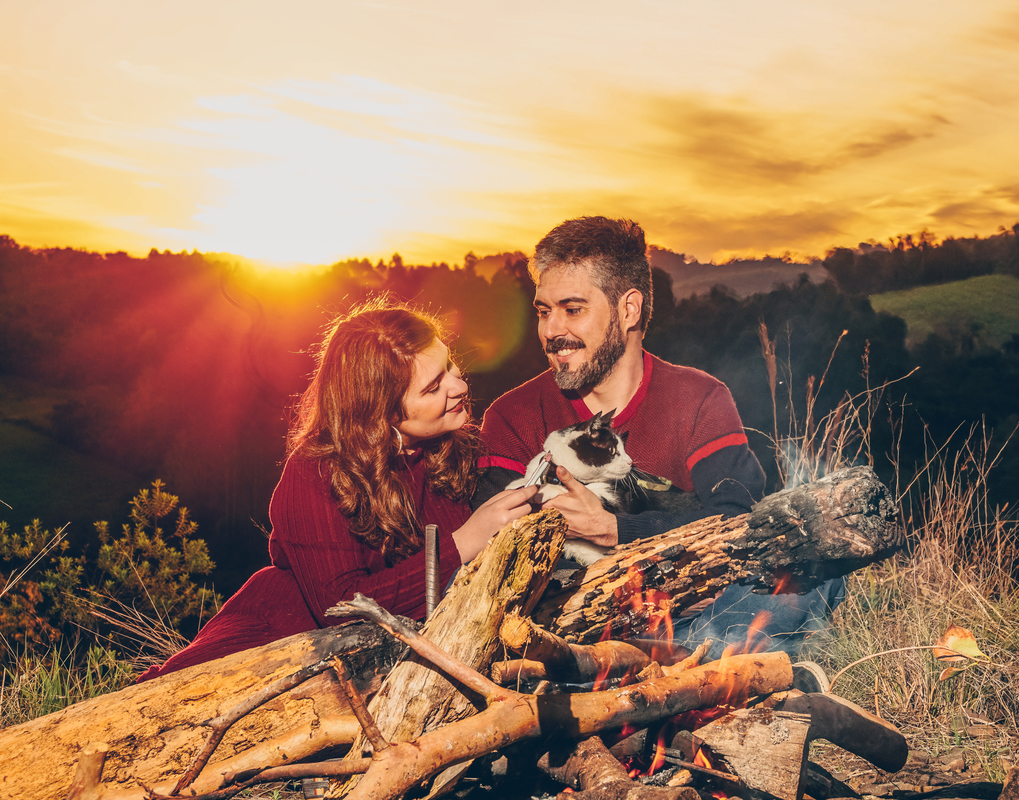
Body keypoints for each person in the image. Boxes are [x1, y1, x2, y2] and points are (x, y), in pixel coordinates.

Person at [475, 216, 843, 657]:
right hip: (569, 631)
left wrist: (614, 529)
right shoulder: (511, 415)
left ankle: (678, 668)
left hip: (690, 612)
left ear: (628, 309)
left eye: (572, 310)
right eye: (543, 311)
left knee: (813, 565)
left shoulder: (700, 397)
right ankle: (694, 669)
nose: (552, 331)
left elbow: (734, 520)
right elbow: (494, 557)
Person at [138, 300, 537, 681]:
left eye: (450, 364)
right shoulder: (314, 475)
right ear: (380, 411)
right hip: (267, 652)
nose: (459, 384)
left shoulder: (452, 447)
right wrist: (466, 541)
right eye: (433, 388)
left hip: (370, 667)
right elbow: (341, 608)